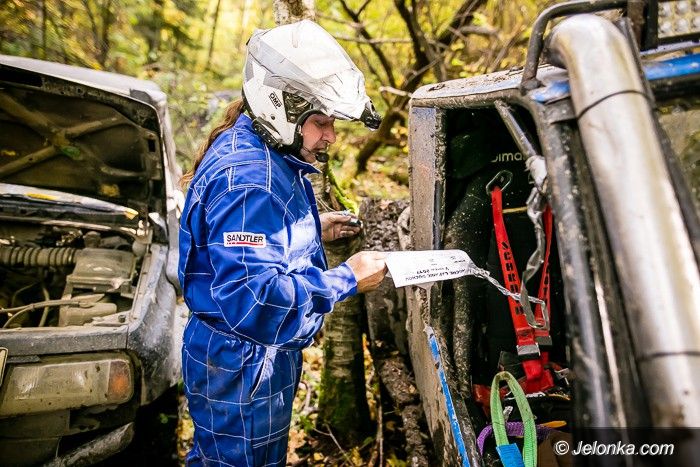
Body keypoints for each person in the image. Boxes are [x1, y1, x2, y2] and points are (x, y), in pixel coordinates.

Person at [178, 19, 388, 467]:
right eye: (320, 122)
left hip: (241, 357)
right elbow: (254, 300)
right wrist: (347, 279)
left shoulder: (255, 144)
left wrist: (311, 228)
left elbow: (244, 243)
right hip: (245, 365)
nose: (330, 136)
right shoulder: (252, 182)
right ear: (279, 108)